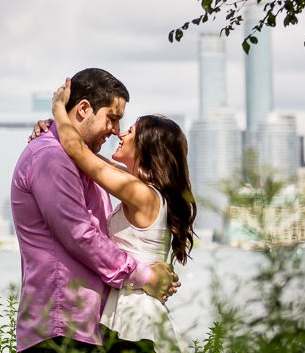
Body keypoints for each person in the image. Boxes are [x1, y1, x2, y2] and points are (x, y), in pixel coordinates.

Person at [11, 68, 179, 352]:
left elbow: (80, 153)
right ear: (84, 108)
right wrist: (145, 275)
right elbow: (81, 236)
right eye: (112, 119)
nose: (116, 131)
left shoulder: (94, 166)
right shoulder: (52, 158)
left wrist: (56, 119)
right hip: (61, 325)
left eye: (123, 125)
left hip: (94, 327)